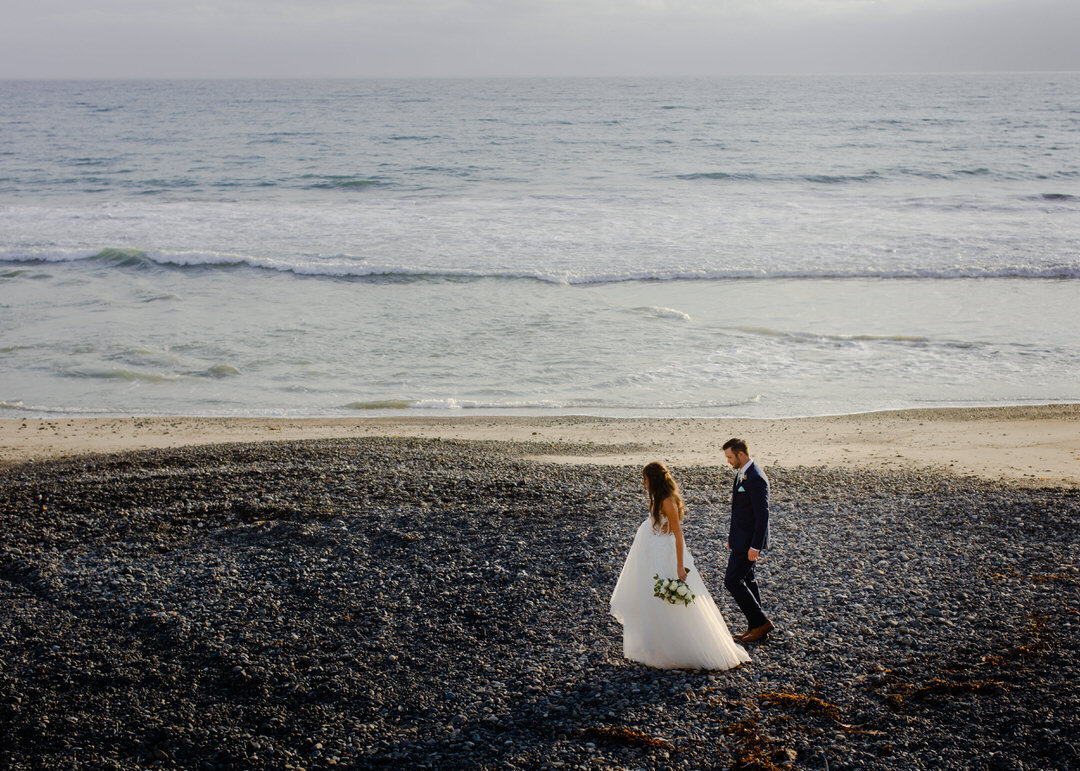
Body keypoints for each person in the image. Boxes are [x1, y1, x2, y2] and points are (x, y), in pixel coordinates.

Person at [610, 462, 750, 671]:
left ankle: (685, 648)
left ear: (654, 480)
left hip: (666, 553)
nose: (643, 483)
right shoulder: (657, 498)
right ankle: (659, 647)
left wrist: (679, 565)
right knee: (654, 596)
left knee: (671, 597)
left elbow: (677, 533)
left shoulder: (667, 501)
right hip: (654, 553)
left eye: (646, 479)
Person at [722, 438, 774, 643]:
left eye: (729, 457)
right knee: (748, 580)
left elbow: (763, 515)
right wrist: (731, 536)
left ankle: (761, 622)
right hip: (740, 539)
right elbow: (740, 511)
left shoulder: (755, 477)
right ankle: (756, 628)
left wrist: (755, 546)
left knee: (732, 581)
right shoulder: (742, 474)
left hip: (749, 542)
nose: (728, 461)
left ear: (740, 454)